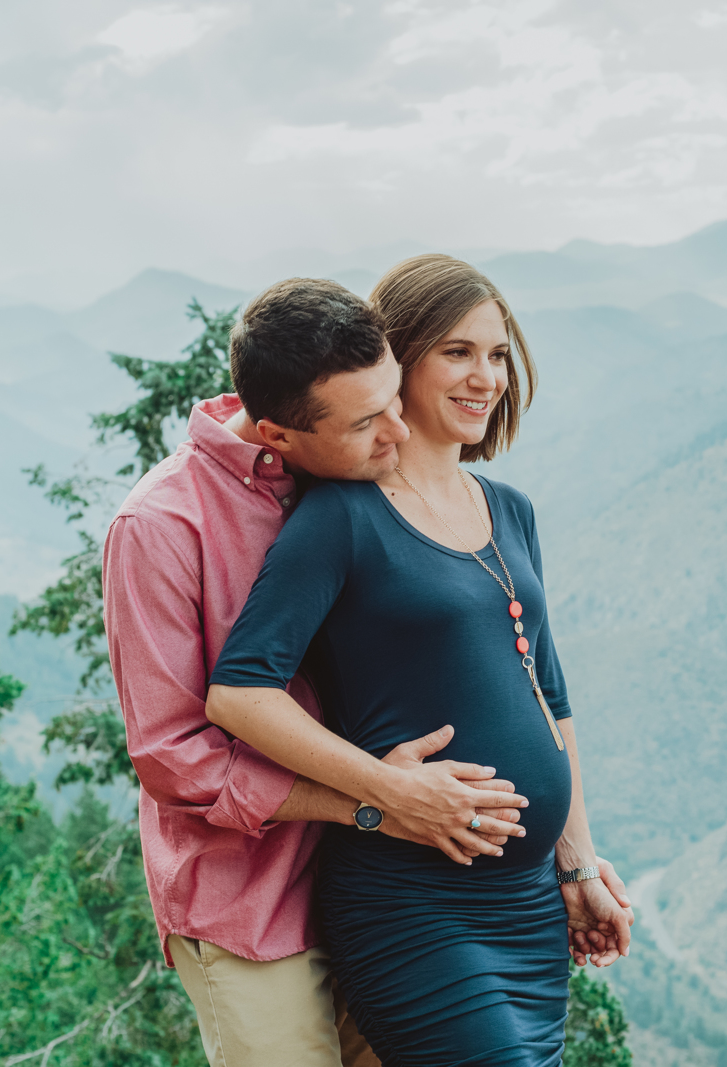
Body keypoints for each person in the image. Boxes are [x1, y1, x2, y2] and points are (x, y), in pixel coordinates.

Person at [206, 255, 633, 1067]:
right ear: (399, 361)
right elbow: (240, 692)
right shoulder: (341, 515)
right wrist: (386, 787)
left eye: (498, 353)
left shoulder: (509, 510)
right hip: (413, 901)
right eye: (459, 352)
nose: (486, 377)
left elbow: (549, 695)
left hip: (526, 907)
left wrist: (576, 864)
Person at [102, 278, 542, 1067]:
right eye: (371, 421)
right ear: (278, 434)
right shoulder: (160, 527)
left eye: (394, 401)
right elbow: (173, 755)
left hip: (390, 886)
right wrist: (375, 798)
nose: (398, 432)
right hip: (252, 906)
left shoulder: (350, 475)